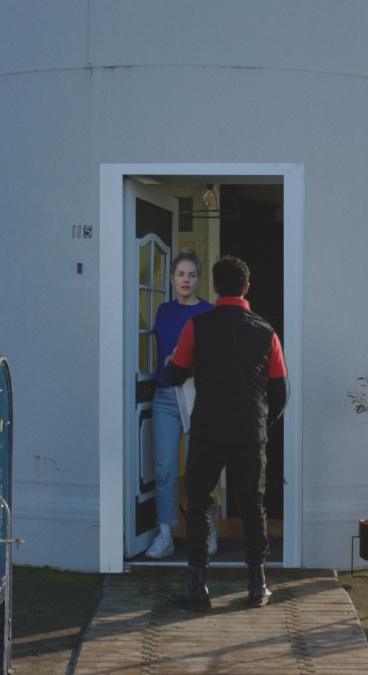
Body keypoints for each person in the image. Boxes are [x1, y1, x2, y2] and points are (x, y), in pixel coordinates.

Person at [161, 256, 288, 610]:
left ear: (214, 287)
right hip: (249, 430)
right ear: (246, 288)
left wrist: (172, 363)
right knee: (252, 505)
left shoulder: (197, 326)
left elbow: (174, 375)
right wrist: (264, 421)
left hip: (208, 429)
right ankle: (257, 586)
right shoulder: (266, 331)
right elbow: (281, 392)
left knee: (200, 502)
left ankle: (198, 588)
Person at [145, 249, 217, 560]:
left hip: (198, 396)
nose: (185, 280)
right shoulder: (162, 311)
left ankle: (207, 530)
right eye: (180, 274)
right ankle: (165, 534)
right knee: (164, 469)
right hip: (164, 396)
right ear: (172, 279)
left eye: (191, 275)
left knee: (203, 467)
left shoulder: (210, 313)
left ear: (199, 279)